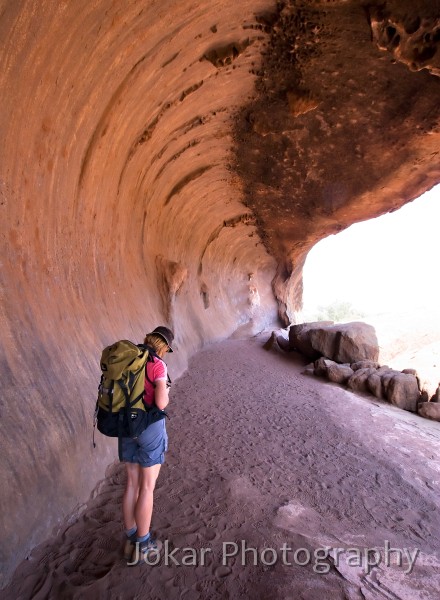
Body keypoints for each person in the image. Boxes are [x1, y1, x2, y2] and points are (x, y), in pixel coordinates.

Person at [120, 325, 174, 565]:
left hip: (125, 426)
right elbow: (161, 403)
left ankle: (130, 537)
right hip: (149, 427)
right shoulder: (157, 364)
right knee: (147, 487)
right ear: (163, 347)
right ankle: (143, 543)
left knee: (131, 483)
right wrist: (166, 391)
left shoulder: (128, 359)